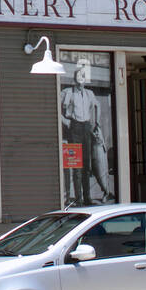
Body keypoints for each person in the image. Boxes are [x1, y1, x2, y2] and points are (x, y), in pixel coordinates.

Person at [61, 75, 111, 204]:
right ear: (75, 79)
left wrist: (97, 122)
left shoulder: (89, 93)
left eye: (83, 77)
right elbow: (55, 104)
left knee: (86, 165)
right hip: (74, 126)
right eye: (78, 77)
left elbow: (97, 105)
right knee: (76, 165)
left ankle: (87, 197)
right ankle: (78, 199)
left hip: (86, 126)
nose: (81, 80)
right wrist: (65, 121)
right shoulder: (67, 92)